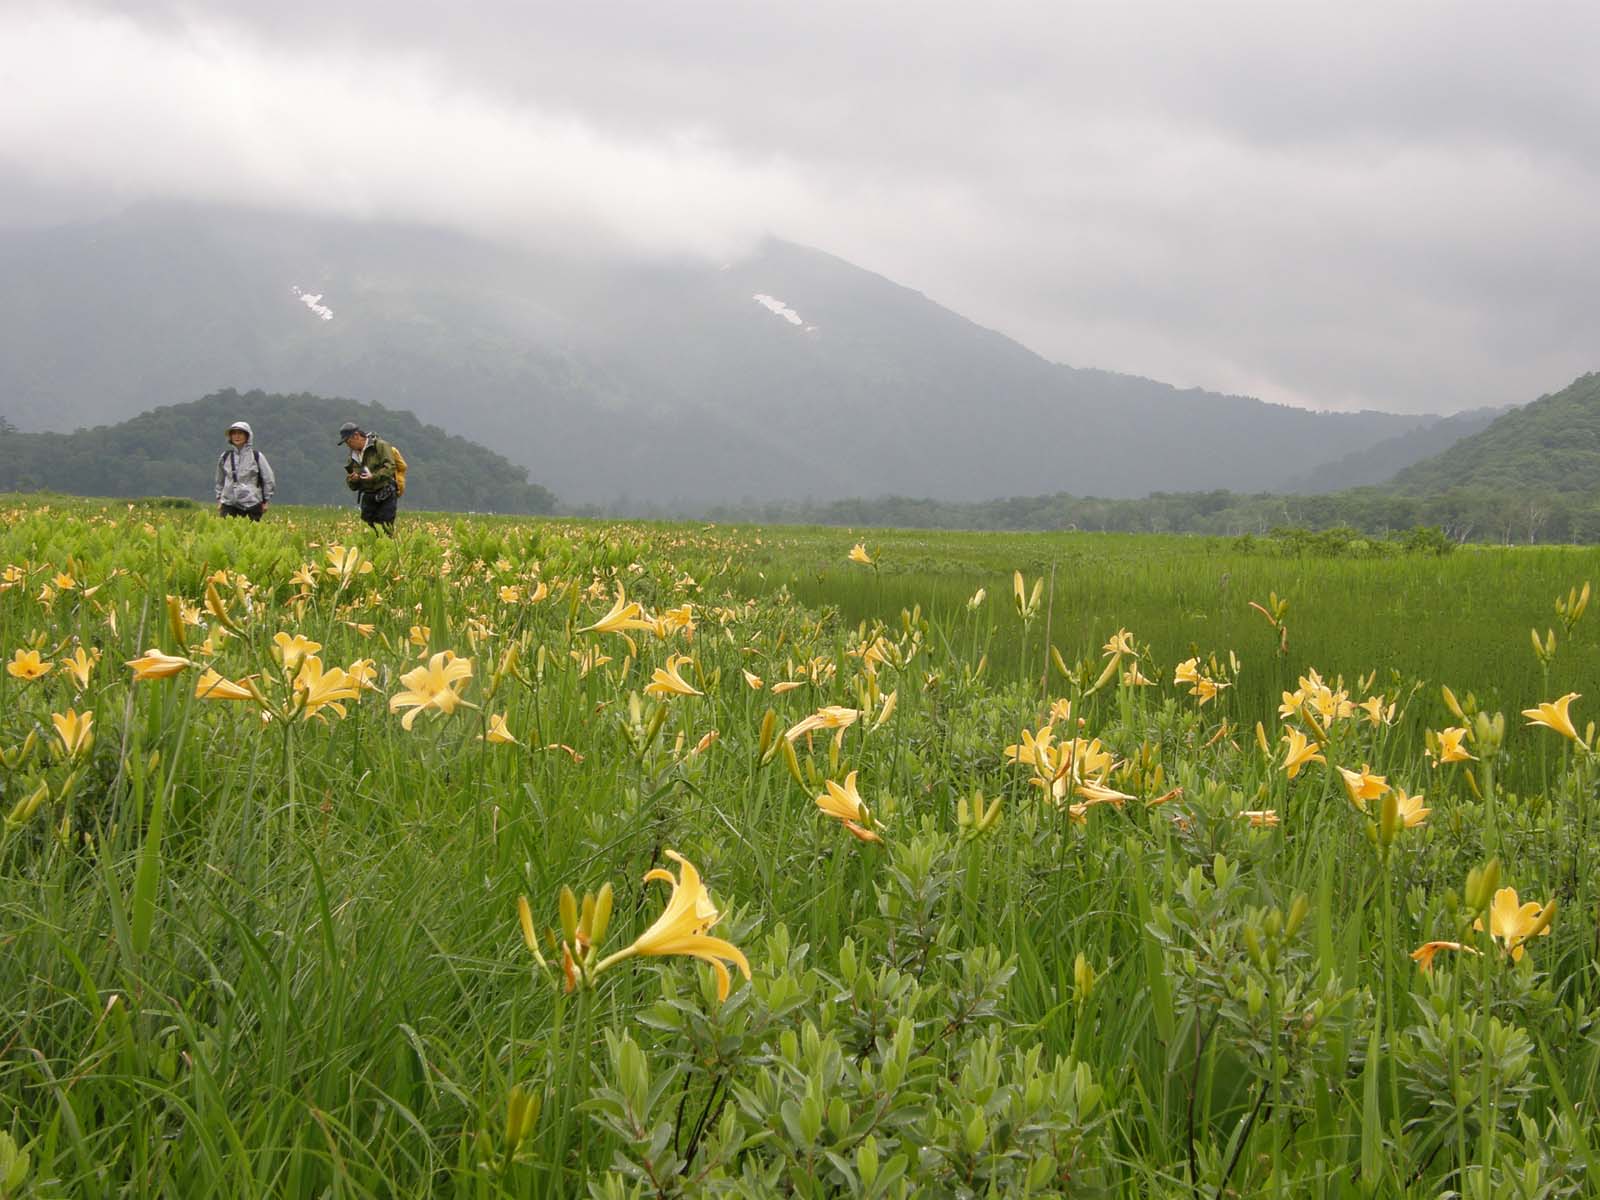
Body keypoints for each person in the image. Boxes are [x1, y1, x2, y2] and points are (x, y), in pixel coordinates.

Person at [338, 420, 400, 533]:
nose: (348, 445)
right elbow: (352, 485)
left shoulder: (380, 445)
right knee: (369, 531)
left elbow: (390, 467)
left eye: (348, 441)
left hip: (385, 494)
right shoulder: (353, 456)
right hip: (368, 497)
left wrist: (374, 476)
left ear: (356, 436)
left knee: (386, 530)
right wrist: (353, 479)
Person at [215, 421, 275, 520]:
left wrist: (265, 501)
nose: (236, 436)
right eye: (234, 433)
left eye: (240, 433)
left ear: (247, 436)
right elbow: (219, 480)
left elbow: (268, 479)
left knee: (251, 534)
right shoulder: (225, 457)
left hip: (252, 504)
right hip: (229, 504)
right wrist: (219, 500)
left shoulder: (257, 456)